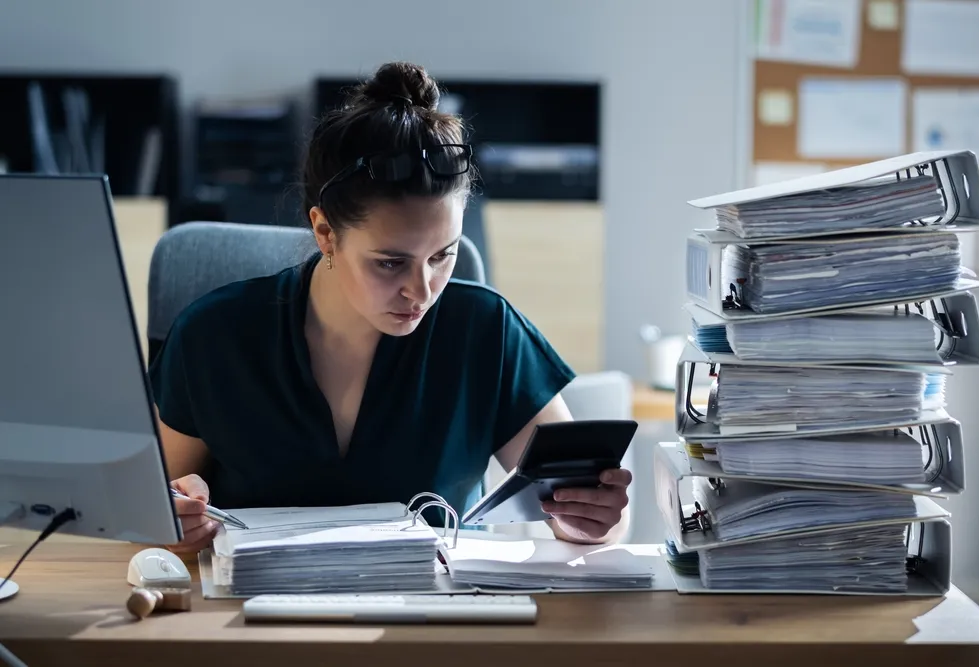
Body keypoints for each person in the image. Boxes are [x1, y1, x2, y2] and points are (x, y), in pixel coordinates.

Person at [149, 61, 632, 554]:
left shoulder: (486, 330)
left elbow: (593, 513)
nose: (421, 290)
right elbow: (156, 512)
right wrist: (176, 522)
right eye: (390, 263)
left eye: (443, 256)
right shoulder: (214, 336)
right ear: (324, 233)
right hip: (258, 619)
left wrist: (591, 520)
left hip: (435, 620)